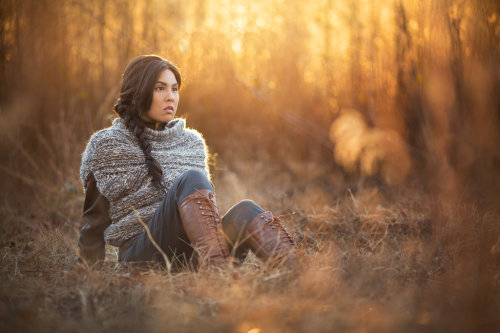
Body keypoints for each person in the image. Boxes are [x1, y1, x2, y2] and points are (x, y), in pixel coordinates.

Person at [77, 55, 296, 270]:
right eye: (160, 88)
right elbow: (95, 221)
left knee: (246, 210)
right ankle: (218, 276)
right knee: (192, 179)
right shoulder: (108, 144)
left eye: (174, 89)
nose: (170, 97)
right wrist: (87, 269)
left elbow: (204, 212)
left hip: (196, 254)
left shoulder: (192, 142)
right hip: (143, 256)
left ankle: (300, 273)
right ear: (135, 95)